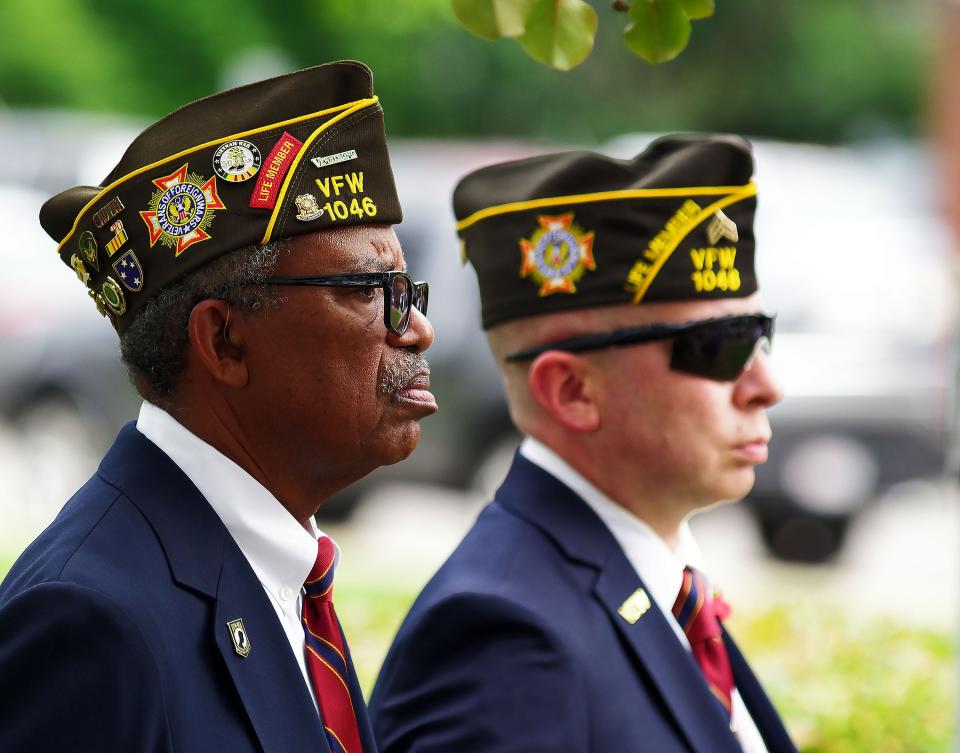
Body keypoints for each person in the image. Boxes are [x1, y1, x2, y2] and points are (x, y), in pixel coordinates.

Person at [0, 61, 436, 753]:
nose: (416, 328)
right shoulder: (92, 620)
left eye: (408, 289)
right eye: (366, 287)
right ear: (224, 340)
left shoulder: (278, 571)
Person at [369, 135, 798, 753]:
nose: (766, 386)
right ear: (570, 390)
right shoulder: (505, 640)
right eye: (723, 347)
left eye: (764, 338)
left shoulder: (660, 587)